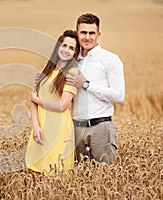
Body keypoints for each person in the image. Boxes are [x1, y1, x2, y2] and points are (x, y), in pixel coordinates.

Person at [33, 13, 125, 164]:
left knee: (106, 179)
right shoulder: (71, 61)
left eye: (92, 33)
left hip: (101, 127)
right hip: (74, 129)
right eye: (83, 32)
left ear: (98, 34)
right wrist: (44, 79)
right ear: (77, 33)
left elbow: (119, 96)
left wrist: (86, 84)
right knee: (80, 180)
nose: (87, 37)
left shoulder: (110, 59)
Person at [25, 30, 80, 174]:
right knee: (35, 173)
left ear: (75, 53)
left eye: (71, 48)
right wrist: (36, 126)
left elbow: (62, 105)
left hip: (58, 129)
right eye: (64, 45)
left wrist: (37, 99)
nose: (66, 50)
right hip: (41, 127)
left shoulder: (72, 73)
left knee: (53, 173)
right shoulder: (47, 68)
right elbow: (33, 100)